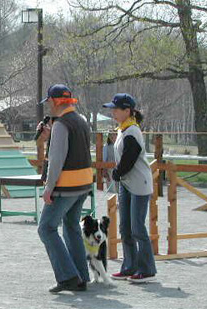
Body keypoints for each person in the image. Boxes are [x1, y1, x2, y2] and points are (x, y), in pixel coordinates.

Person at [37, 84, 93, 293]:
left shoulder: (61, 125)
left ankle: (68, 276)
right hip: (83, 183)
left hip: (66, 185)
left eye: (49, 101)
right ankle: (81, 277)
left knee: (46, 228)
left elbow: (56, 159)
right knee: (71, 226)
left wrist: (49, 188)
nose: (48, 106)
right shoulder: (81, 120)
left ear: (54, 101)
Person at [103, 93, 157, 283]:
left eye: (116, 109)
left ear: (127, 111)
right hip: (126, 183)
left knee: (137, 228)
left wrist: (117, 171)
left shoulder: (132, 131)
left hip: (139, 184)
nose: (113, 112)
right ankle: (129, 266)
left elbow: (130, 158)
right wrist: (118, 173)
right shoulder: (122, 129)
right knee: (125, 227)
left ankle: (147, 269)